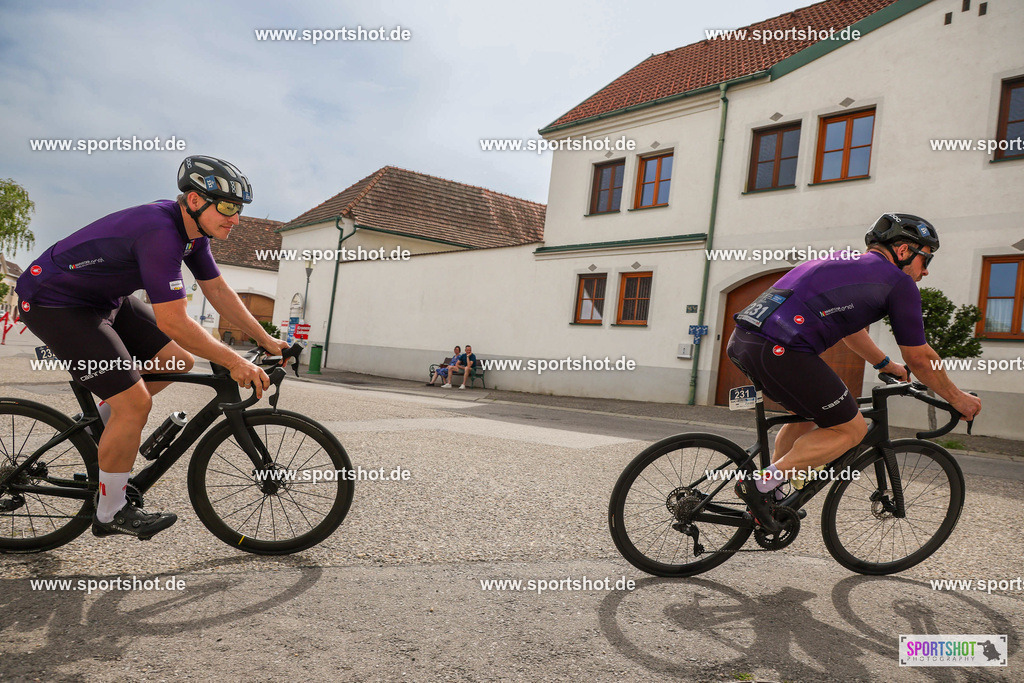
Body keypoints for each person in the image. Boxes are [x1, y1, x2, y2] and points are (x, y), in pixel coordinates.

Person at [15, 155, 290, 540]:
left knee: (176, 359)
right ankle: (110, 512)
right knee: (135, 403)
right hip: (54, 302)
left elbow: (217, 289)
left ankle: (107, 436)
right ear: (195, 200)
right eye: (228, 206)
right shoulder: (160, 232)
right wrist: (234, 362)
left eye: (239, 209)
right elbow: (174, 321)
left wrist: (265, 339)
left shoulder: (193, 233)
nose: (236, 217)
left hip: (104, 297)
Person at [725, 213, 981, 531]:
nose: (925, 270)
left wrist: (887, 366)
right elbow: (920, 357)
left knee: (807, 415)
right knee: (851, 431)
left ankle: (772, 493)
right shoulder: (898, 282)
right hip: (783, 349)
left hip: (744, 341)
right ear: (904, 251)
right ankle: (761, 484)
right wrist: (958, 399)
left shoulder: (841, 261)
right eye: (926, 259)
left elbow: (851, 332)